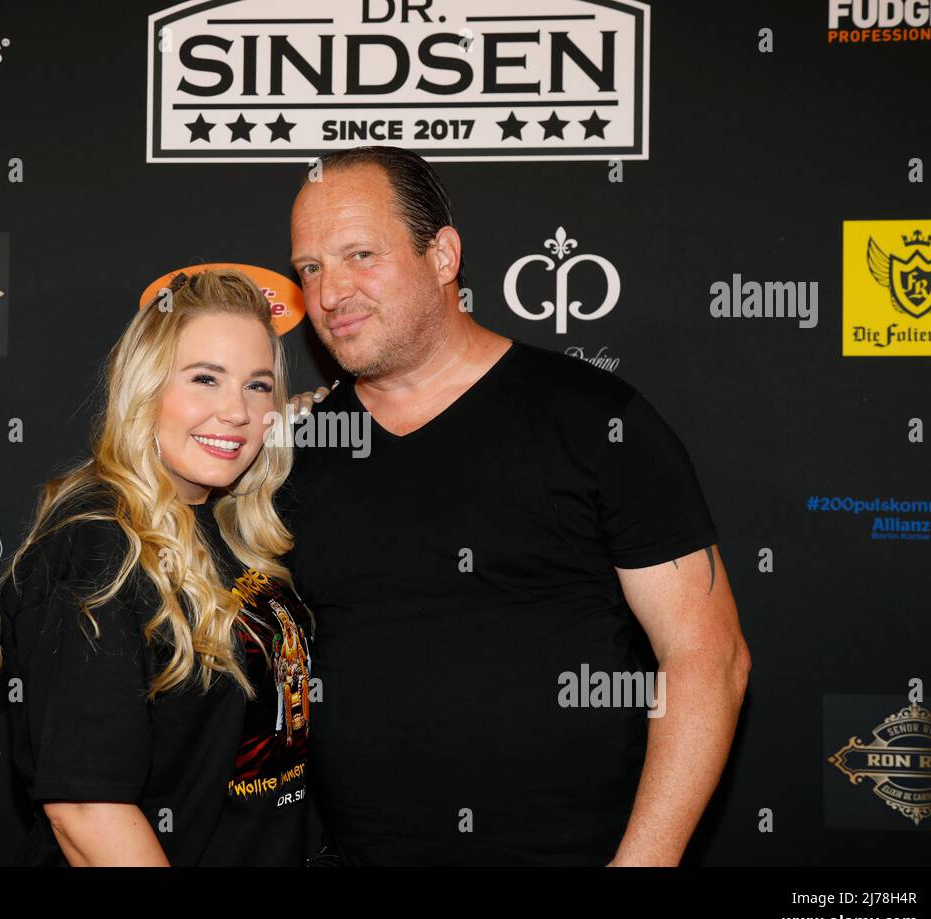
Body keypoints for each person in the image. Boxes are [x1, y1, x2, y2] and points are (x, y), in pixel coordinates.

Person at [281, 146, 751, 866]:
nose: (331, 292)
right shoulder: (293, 455)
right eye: (310, 267)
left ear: (443, 256)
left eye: (360, 255)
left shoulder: (596, 421)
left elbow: (706, 655)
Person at [0, 268, 315, 866]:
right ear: (145, 387)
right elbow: (86, 810)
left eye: (258, 386)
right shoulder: (96, 550)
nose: (235, 410)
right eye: (205, 378)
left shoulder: (229, 526)